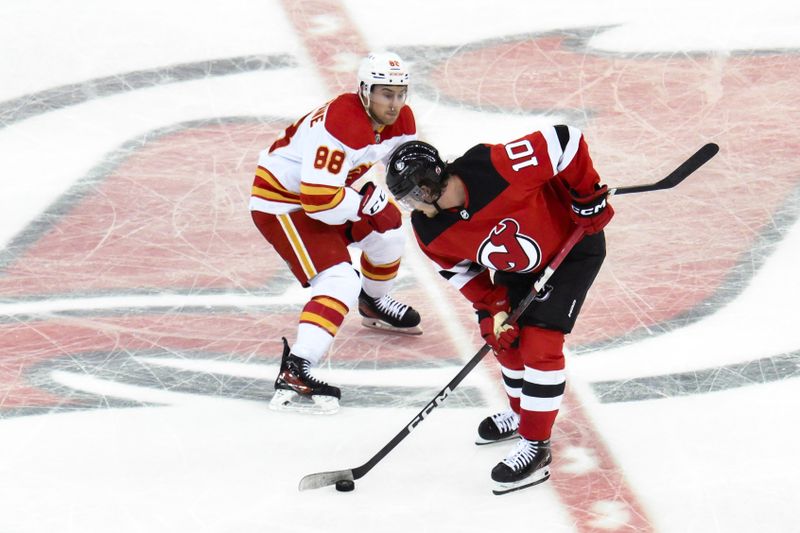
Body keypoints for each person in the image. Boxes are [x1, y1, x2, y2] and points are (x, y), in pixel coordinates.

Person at [385, 127, 613, 494]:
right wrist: (492, 307)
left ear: (426, 185)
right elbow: (458, 269)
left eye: (411, 197)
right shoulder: (428, 228)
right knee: (504, 339)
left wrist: (586, 194)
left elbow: (565, 140)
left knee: (540, 344)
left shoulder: (492, 167)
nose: (412, 207)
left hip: (572, 250)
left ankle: (536, 446)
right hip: (517, 267)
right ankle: (522, 414)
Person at [250, 52, 422, 415]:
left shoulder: (402, 120)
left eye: (399, 94)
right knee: (339, 280)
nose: (394, 104)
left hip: (329, 193)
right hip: (284, 205)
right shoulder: (341, 123)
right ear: (364, 91)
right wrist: (364, 205)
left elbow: (400, 168)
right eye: (384, 94)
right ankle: (296, 368)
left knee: (390, 232)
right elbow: (316, 202)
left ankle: (373, 301)